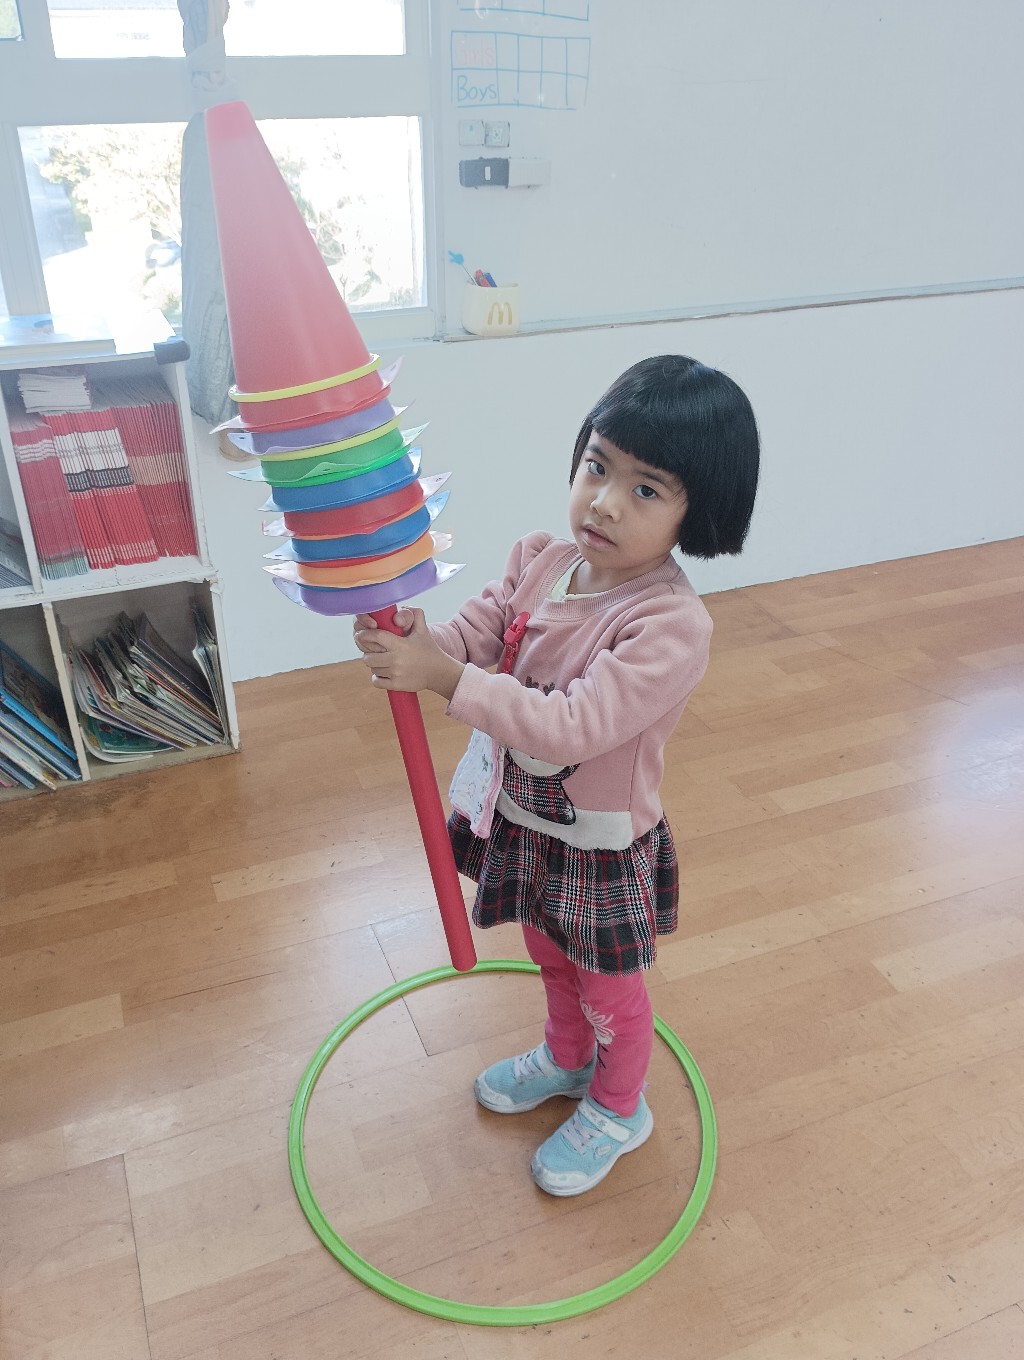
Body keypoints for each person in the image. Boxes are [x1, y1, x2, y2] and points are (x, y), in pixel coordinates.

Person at [353, 354, 759, 1196]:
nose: (605, 501)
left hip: (598, 847)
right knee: (548, 953)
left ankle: (619, 1106)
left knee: (608, 987)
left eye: (646, 489)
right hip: (523, 821)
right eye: (597, 467)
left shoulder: (670, 625)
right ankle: (567, 1058)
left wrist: (442, 678)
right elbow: (476, 634)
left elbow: (573, 723)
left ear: (699, 510)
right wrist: (420, 644)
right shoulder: (541, 561)